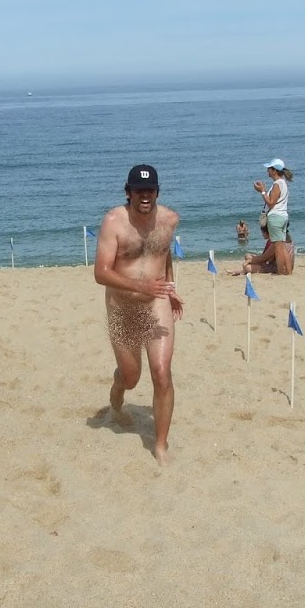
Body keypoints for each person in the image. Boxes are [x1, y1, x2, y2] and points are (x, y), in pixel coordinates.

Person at [94, 165, 183, 465]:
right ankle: (119, 385)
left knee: (162, 372)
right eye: (138, 190)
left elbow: (162, 252)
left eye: (150, 190)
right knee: (132, 376)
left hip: (156, 302)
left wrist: (170, 288)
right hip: (122, 305)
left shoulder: (170, 220)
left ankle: (160, 445)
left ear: (157, 192)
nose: (145, 195)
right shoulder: (113, 222)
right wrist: (142, 285)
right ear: (128, 192)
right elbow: (101, 272)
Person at [252, 159, 294, 275]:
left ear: (274, 170)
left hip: (276, 217)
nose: (267, 171)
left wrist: (262, 191)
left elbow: (271, 203)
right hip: (283, 216)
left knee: (278, 247)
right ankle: (288, 272)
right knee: (282, 246)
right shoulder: (283, 183)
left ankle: (280, 272)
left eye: (269, 169)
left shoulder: (277, 184)